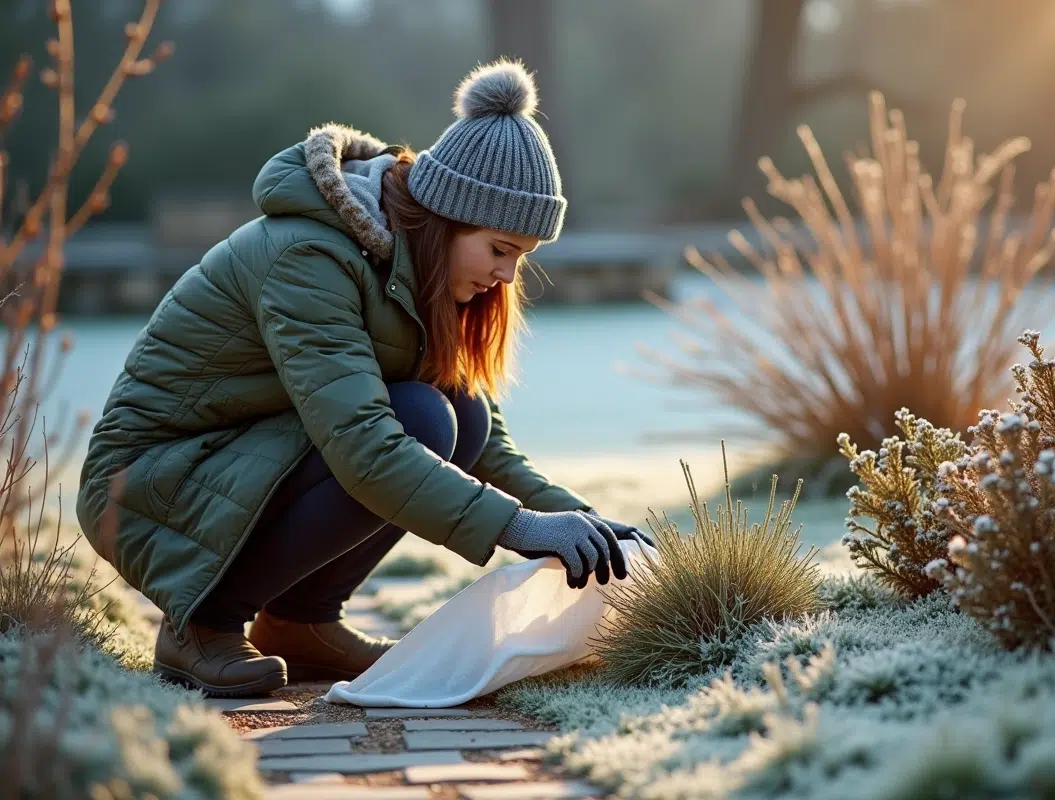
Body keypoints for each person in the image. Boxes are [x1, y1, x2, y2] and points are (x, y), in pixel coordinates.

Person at [75, 59, 652, 698]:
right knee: (422, 421)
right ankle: (201, 624)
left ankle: (301, 623)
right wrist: (518, 529)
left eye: (522, 257)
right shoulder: (310, 256)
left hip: (236, 459)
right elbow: (361, 443)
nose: (509, 276)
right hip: (149, 483)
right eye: (499, 249)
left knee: (464, 417)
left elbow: (485, 448)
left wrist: (581, 521)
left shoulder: (416, 272)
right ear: (447, 216)